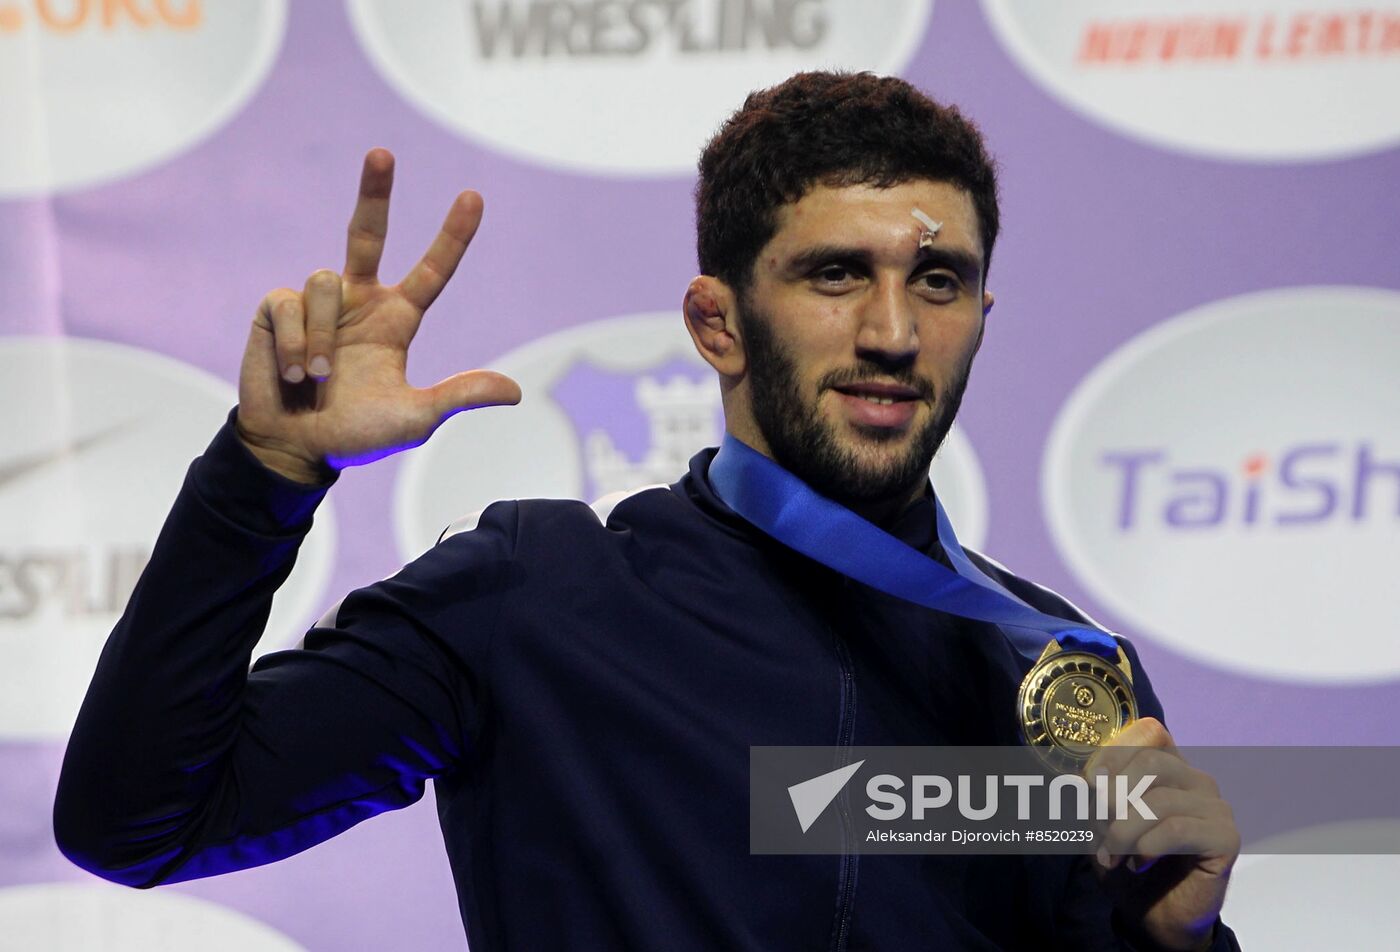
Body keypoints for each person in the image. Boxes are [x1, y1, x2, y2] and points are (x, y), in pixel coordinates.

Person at [54, 72, 1241, 950]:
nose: (891, 332)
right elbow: (139, 821)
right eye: (835, 274)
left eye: (938, 280)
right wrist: (261, 473)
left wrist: (1175, 938)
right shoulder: (534, 593)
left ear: (981, 313)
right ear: (716, 322)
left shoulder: (1056, 669)